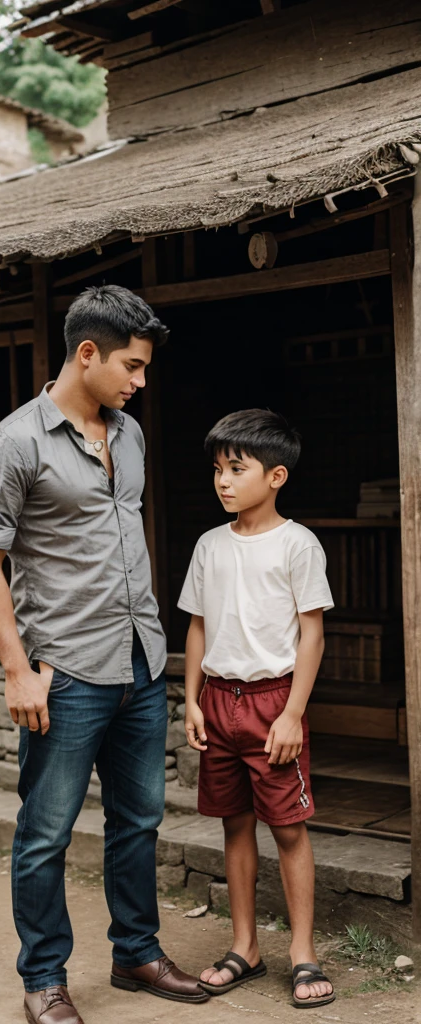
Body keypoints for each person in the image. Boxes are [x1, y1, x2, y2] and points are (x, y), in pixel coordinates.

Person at [0, 285, 209, 1024]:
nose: (140, 382)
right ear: (86, 353)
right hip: (65, 672)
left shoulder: (128, 435)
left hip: (139, 658)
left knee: (138, 821)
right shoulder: (16, 443)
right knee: (46, 832)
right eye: (132, 367)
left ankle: (136, 951)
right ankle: (44, 978)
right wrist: (17, 671)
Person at [179, 409, 336, 1010]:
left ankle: (302, 952)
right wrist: (191, 700)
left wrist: (293, 713)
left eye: (236, 469)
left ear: (276, 476)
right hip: (218, 701)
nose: (222, 481)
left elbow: (312, 635)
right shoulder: (208, 545)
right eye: (217, 469)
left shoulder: (297, 543)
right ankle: (245, 946)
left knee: (289, 828)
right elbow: (195, 628)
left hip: (274, 701)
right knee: (233, 824)